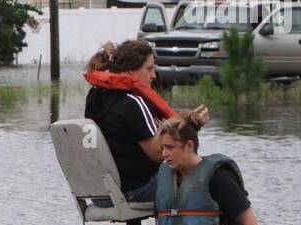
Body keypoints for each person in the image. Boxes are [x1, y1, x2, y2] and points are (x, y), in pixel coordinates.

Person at [136, 110, 261, 225]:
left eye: (170, 147)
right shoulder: (165, 179)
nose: (164, 154)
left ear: (189, 145)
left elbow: (249, 219)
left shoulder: (218, 177)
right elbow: (161, 222)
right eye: (162, 148)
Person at [84, 39, 209, 203]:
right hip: (134, 190)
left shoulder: (95, 95)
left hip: (101, 193)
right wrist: (191, 123)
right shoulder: (133, 102)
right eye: (149, 69)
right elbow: (159, 154)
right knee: (213, 176)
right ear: (130, 72)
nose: (154, 75)